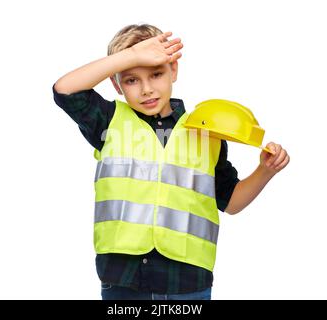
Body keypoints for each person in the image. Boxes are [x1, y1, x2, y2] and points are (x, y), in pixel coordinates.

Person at [52, 24, 290, 300]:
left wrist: (265, 171)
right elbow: (64, 90)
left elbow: (232, 202)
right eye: (131, 79)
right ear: (116, 84)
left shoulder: (207, 130)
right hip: (123, 281)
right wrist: (131, 56)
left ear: (173, 70)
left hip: (188, 283)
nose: (146, 89)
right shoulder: (108, 121)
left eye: (156, 73)